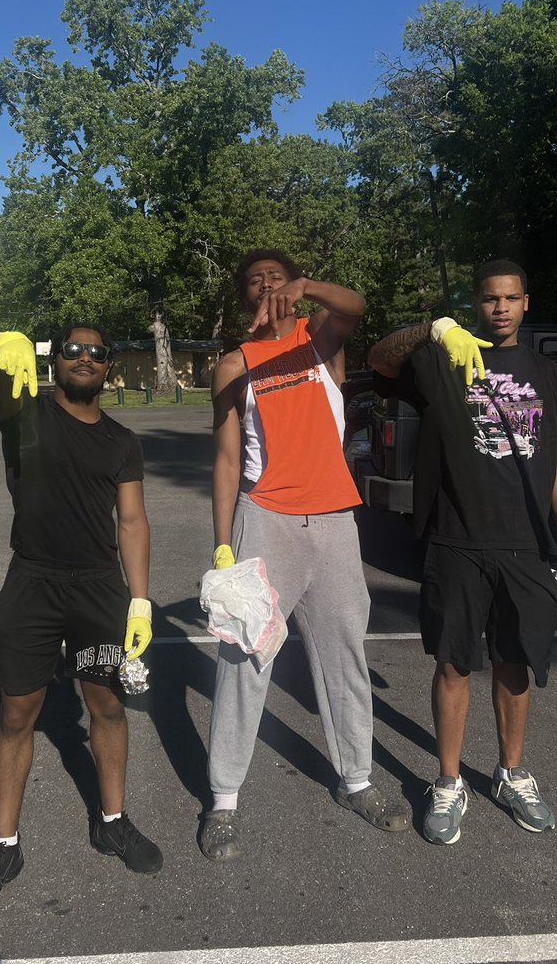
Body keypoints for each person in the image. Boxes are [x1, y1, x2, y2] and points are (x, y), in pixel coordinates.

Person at [368, 259, 557, 846]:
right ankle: (448, 781)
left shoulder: (547, 375)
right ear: (475, 303)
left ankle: (511, 773)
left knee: (515, 665)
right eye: (489, 299)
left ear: (525, 303)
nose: (499, 308)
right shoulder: (443, 361)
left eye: (510, 298)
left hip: (525, 546)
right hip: (455, 539)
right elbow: (379, 359)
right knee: (451, 663)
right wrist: (433, 328)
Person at [200, 250, 410, 860]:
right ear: (244, 299)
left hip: (335, 521)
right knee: (245, 656)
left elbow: (355, 305)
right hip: (265, 519)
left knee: (344, 650)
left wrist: (309, 285)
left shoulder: (321, 342)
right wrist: (222, 546)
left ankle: (357, 780)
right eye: (254, 281)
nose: (267, 286)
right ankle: (224, 799)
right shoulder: (235, 364)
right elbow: (225, 459)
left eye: (276, 276)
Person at [0, 324, 162, 915]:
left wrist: (141, 600)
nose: (84, 358)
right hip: (33, 581)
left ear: (108, 369)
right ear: (52, 362)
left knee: (105, 705)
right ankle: (5, 845)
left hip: (99, 587)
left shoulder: (123, 441)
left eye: (97, 352)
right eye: (72, 349)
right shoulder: (27, 415)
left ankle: (112, 821)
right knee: (17, 713)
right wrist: (2, 353)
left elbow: (132, 521)